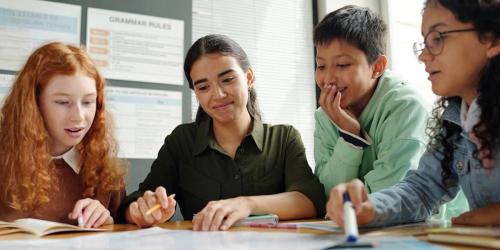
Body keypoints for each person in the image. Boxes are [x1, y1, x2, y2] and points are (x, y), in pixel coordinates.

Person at [119, 34, 325, 231]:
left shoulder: (283, 138)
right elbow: (138, 198)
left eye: (227, 80)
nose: (218, 95)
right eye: (203, 87)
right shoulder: (182, 141)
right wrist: (140, 210)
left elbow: (309, 200)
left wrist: (246, 204)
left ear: (249, 78)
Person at [326, 0, 500, 227]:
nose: (424, 56)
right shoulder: (456, 120)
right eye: (425, 42)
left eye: (438, 38)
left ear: (493, 39)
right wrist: (369, 208)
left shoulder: (402, 103)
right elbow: (423, 188)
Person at [0, 42, 126, 228]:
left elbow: (125, 237)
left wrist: (108, 225)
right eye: (62, 102)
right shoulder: (5, 160)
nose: (78, 117)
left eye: (88, 102)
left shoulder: (104, 169)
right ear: (33, 104)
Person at [313, 5, 431, 197]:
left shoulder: (406, 107)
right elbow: (328, 193)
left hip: (433, 225)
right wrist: (350, 136)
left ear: (377, 67)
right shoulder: (325, 115)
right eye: (321, 65)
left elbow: (393, 193)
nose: (328, 79)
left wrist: (344, 206)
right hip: (357, 222)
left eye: (342, 65)